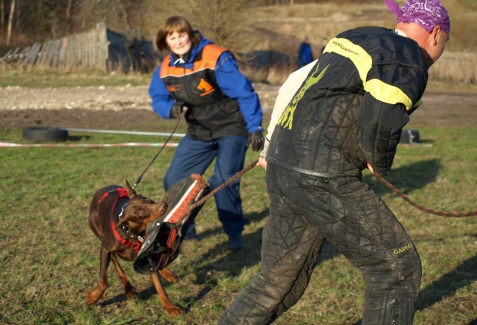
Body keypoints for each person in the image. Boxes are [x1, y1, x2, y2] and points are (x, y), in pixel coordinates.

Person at [219, 0, 450, 323]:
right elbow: (380, 122)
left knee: (277, 281)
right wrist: (379, 162)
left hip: (283, 167)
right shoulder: (406, 56)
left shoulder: (358, 37)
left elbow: (296, 85)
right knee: (395, 268)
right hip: (324, 176)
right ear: (436, 33)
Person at [149, 16, 264, 251]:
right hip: (199, 130)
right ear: (166, 42)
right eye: (173, 37)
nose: (179, 41)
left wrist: (254, 127)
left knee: (223, 181)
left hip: (232, 126)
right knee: (174, 180)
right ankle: (185, 227)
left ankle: (234, 232)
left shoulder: (215, 57)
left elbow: (245, 92)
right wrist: (169, 109)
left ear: (190, 35)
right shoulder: (165, 69)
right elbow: (158, 97)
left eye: (182, 34)